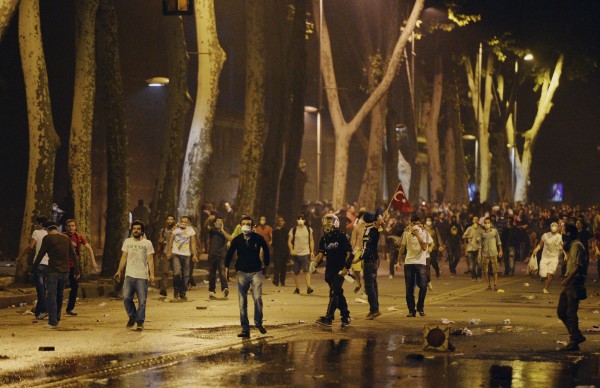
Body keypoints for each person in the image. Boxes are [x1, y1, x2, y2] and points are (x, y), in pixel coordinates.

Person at [225, 216, 270, 338]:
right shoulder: (237, 240)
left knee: (257, 298)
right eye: (243, 224)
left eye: (248, 224)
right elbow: (229, 254)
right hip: (242, 272)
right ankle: (245, 329)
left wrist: (266, 263)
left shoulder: (258, 238)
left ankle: (258, 323)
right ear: (240, 226)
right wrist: (226, 267)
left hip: (256, 271)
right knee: (242, 302)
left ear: (252, 226)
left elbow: (266, 250)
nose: (246, 226)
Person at [31, 223, 79, 329]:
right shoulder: (66, 238)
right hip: (65, 271)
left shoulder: (48, 238)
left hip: (53, 271)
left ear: (47, 230)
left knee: (52, 296)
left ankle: (52, 322)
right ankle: (57, 317)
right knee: (60, 294)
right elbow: (73, 255)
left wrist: (33, 268)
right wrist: (77, 270)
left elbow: (40, 254)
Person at [311, 214, 353, 327]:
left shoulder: (342, 237)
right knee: (338, 293)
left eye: (331, 221)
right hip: (329, 270)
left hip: (340, 269)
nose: (328, 224)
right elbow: (320, 254)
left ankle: (328, 318)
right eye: (326, 221)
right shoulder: (324, 239)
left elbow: (350, 254)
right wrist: (314, 263)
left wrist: (346, 268)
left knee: (334, 293)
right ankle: (346, 316)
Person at [114, 221, 155, 331]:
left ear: (142, 231)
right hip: (129, 274)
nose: (136, 230)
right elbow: (124, 257)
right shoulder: (127, 242)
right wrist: (119, 270)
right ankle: (132, 316)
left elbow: (150, 259)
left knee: (142, 301)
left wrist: (152, 274)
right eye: (134, 228)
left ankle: (140, 322)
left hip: (142, 275)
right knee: (126, 297)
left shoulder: (147, 243)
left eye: (138, 229)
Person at [557, 224, 588, 351]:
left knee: (570, 312)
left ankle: (574, 340)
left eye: (564, 232)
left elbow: (577, 266)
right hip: (569, 283)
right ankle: (576, 335)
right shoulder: (572, 246)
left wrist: (568, 279)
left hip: (574, 283)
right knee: (562, 311)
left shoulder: (576, 246)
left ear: (569, 233)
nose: (563, 234)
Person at [398, 216, 432, 317]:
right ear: (410, 224)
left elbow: (425, 247)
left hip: (421, 263)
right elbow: (402, 248)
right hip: (409, 262)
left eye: (417, 224)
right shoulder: (406, 234)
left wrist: (417, 234)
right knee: (409, 288)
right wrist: (398, 261)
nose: (415, 226)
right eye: (413, 224)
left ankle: (420, 307)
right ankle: (411, 310)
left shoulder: (424, 234)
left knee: (423, 286)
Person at [63, 219, 99, 316]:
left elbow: (89, 248)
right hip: (63, 266)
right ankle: (54, 309)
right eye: (69, 226)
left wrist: (93, 262)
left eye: (73, 226)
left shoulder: (78, 237)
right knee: (59, 287)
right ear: (66, 227)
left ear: (75, 227)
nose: (71, 228)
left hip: (74, 266)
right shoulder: (62, 236)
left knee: (74, 287)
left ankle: (70, 309)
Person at [20, 216, 50, 320]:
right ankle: (39, 312)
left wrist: (20, 256)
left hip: (39, 263)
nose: (36, 225)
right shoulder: (50, 233)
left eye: (36, 223)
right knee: (45, 288)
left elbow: (31, 246)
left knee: (40, 289)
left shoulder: (37, 232)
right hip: (49, 264)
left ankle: (45, 310)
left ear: (40, 223)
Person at [165, 216, 198, 300]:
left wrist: (194, 254)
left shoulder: (191, 230)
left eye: (185, 222)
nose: (183, 223)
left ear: (188, 223)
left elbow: (193, 243)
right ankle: (176, 290)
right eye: (182, 221)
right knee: (176, 273)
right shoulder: (176, 229)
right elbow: (171, 240)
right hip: (176, 254)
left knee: (186, 275)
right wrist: (169, 252)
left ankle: (183, 292)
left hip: (187, 255)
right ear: (180, 221)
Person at [360, 212, 382, 320]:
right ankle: (374, 309)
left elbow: (366, 248)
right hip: (375, 259)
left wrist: (359, 258)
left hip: (369, 261)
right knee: (374, 285)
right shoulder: (375, 229)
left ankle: (374, 310)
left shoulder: (369, 231)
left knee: (369, 286)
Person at [533, 221, 563, 294]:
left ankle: (545, 288)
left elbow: (562, 247)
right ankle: (543, 278)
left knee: (550, 274)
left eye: (555, 225)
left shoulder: (560, 237)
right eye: (552, 225)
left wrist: (563, 254)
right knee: (543, 275)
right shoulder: (545, 235)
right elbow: (540, 244)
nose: (554, 227)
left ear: (557, 227)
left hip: (554, 258)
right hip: (545, 257)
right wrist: (535, 250)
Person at [288, 214, 314, 295]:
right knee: (296, 272)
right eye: (299, 218)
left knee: (307, 270)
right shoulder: (293, 230)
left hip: (306, 252)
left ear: (305, 220)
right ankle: (297, 288)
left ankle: (309, 287)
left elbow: (311, 240)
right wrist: (291, 249)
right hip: (296, 253)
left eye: (302, 218)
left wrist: (312, 251)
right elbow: (289, 241)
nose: (300, 220)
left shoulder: (309, 229)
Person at [207, 216, 231, 298]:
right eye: (217, 221)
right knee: (212, 274)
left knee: (222, 272)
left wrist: (222, 230)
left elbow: (230, 238)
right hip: (212, 254)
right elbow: (205, 227)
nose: (219, 223)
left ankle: (225, 289)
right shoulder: (212, 230)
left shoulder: (225, 230)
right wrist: (208, 219)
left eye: (221, 221)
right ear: (214, 223)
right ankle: (211, 290)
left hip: (221, 255)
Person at [155, 215, 176, 297]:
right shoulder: (163, 230)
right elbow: (160, 240)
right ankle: (163, 289)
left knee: (176, 272)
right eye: (168, 219)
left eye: (171, 219)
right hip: (165, 251)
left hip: (175, 252)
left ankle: (177, 289)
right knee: (165, 271)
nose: (170, 221)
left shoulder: (177, 230)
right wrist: (161, 241)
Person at [480, 217, 503, 291]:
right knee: (486, 271)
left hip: (493, 253)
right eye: (485, 223)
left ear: (491, 223)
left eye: (488, 222)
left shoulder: (494, 231)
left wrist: (500, 251)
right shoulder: (482, 233)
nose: (487, 224)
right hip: (485, 253)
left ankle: (495, 284)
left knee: (495, 270)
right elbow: (480, 245)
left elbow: (498, 242)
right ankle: (488, 285)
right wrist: (479, 254)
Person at [350, 209, 367, 292]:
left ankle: (366, 287)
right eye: (362, 217)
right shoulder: (356, 228)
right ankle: (358, 283)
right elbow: (353, 240)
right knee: (356, 268)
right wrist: (351, 251)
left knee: (366, 269)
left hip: (366, 250)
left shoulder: (369, 228)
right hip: (357, 249)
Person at [463, 216, 484, 281]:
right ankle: (473, 277)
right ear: (472, 221)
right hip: (471, 249)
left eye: (477, 219)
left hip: (478, 249)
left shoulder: (480, 229)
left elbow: (484, 237)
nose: (475, 221)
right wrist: (469, 237)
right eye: (474, 219)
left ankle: (479, 276)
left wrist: (480, 240)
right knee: (471, 265)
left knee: (479, 264)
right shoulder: (469, 228)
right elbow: (463, 236)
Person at [271, 216, 290, 286]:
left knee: (283, 266)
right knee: (276, 266)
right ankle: (276, 280)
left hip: (284, 251)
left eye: (281, 220)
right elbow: (273, 242)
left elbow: (289, 241)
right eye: (279, 220)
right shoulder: (275, 231)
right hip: (277, 251)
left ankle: (282, 280)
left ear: (284, 222)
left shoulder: (287, 231)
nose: (280, 222)